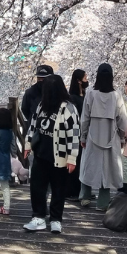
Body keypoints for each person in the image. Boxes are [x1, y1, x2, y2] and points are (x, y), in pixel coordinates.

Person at [22, 74, 80, 234]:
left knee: (59, 188)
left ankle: (56, 219)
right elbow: (32, 126)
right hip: (41, 153)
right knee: (37, 187)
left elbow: (74, 134)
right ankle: (38, 217)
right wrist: (27, 145)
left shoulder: (69, 108)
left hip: (60, 156)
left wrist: (72, 158)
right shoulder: (42, 105)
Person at [79, 63, 127, 210]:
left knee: (88, 165)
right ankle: (103, 201)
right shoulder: (116, 94)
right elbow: (122, 119)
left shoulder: (90, 93)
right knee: (107, 167)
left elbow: (85, 117)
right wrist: (122, 137)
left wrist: (83, 136)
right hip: (111, 135)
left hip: (93, 135)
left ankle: (85, 196)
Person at [66, 69, 89, 201]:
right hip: (75, 133)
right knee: (75, 159)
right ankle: (71, 190)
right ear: (79, 80)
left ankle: (81, 189)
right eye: (85, 78)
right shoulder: (72, 98)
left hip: (84, 132)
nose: (87, 80)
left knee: (82, 161)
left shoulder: (84, 95)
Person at [20, 64, 53, 138]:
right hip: (34, 130)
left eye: (43, 78)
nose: (41, 80)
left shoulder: (56, 92)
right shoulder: (30, 92)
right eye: (39, 78)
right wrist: (33, 117)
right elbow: (24, 109)